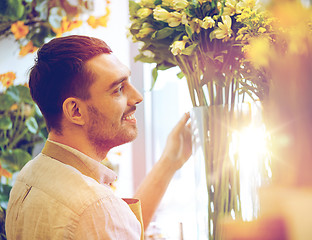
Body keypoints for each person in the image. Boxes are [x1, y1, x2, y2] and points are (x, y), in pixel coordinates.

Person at [5, 35, 192, 239]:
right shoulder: (95, 208)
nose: (137, 97)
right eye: (118, 89)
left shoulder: (28, 177)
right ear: (75, 111)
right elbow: (101, 215)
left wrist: (169, 161)